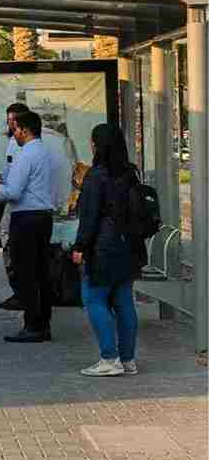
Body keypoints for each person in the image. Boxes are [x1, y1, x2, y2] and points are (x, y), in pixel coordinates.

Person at [71, 124, 146, 377]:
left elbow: (89, 217)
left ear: (97, 145)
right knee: (124, 303)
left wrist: (80, 246)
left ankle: (109, 358)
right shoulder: (130, 174)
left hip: (103, 248)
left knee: (94, 299)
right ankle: (128, 360)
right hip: (128, 247)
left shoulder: (96, 177)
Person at [0, 110, 56, 343]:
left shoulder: (26, 155)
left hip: (26, 218)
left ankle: (33, 325)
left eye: (16, 129)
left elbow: (13, 192)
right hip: (43, 217)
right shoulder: (44, 151)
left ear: (25, 130)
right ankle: (43, 323)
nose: (14, 133)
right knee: (41, 272)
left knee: (26, 273)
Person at [0, 102, 31, 311]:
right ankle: (19, 291)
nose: (10, 125)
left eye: (13, 121)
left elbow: (17, 182)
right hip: (14, 198)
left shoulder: (25, 146)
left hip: (19, 202)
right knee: (7, 238)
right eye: (8, 121)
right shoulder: (14, 142)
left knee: (10, 240)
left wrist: (0, 187)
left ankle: (21, 292)